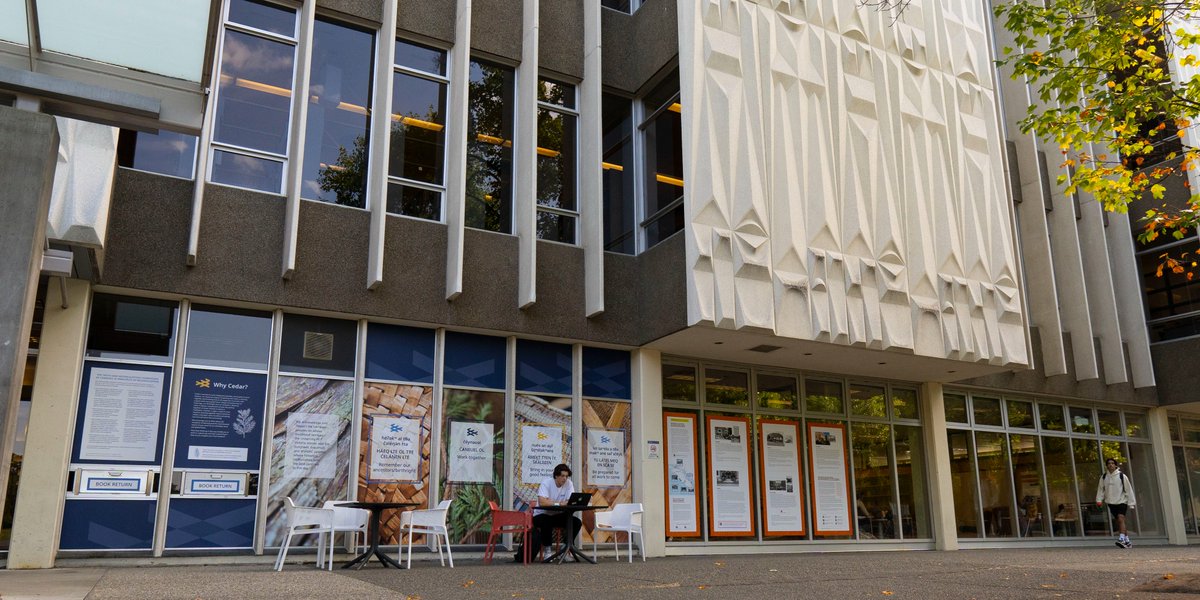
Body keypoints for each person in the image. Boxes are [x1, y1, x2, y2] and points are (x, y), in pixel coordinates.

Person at [516, 463, 582, 562]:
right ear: (556, 476)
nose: (565, 478)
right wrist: (559, 504)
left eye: (566, 476)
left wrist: (553, 502)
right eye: (562, 476)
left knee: (576, 522)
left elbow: (570, 501)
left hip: (557, 515)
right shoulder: (546, 483)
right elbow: (542, 502)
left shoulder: (569, 484)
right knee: (547, 521)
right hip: (540, 515)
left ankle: (564, 549)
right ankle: (548, 552)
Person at [1095, 457, 1137, 548]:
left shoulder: (1122, 476)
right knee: (1119, 521)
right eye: (1109, 463)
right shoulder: (1104, 477)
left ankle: (1121, 539)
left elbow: (1128, 489)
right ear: (1107, 466)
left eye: (1112, 463)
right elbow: (1100, 489)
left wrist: (1131, 503)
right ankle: (1127, 541)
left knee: (1121, 518)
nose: (1111, 465)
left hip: (1122, 501)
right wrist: (1099, 500)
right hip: (1111, 502)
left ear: (1115, 465)